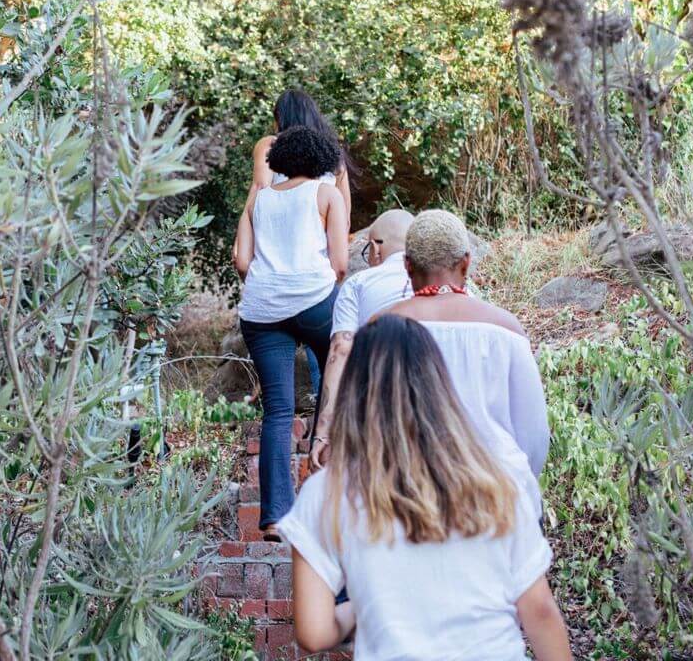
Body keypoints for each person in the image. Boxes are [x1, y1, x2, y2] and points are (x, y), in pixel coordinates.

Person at [277, 315, 573, 660]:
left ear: (354, 393)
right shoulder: (496, 482)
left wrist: (360, 610)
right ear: (439, 385)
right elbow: (540, 612)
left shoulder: (327, 492)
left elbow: (313, 633)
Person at [234, 125, 350, 540]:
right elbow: (339, 265)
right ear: (320, 159)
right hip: (314, 301)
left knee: (278, 412)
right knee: (336, 387)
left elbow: (243, 263)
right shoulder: (327, 195)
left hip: (262, 311)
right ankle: (324, 499)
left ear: (280, 160)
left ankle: (274, 517)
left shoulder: (260, 200)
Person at [384, 209, 550, 481]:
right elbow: (534, 435)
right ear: (465, 263)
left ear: (407, 265)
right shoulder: (506, 329)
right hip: (499, 495)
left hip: (409, 496)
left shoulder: (379, 328)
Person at [233, 90, 358, 392]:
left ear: (280, 117)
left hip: (271, 273)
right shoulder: (333, 157)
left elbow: (260, 188)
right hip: (318, 270)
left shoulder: (269, 147)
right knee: (326, 347)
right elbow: (345, 218)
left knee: (277, 406)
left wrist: (242, 242)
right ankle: (321, 402)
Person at [310, 208, 415, 468]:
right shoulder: (450, 288)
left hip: (376, 413)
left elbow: (341, 352)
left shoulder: (358, 285)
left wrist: (324, 431)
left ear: (377, 247)